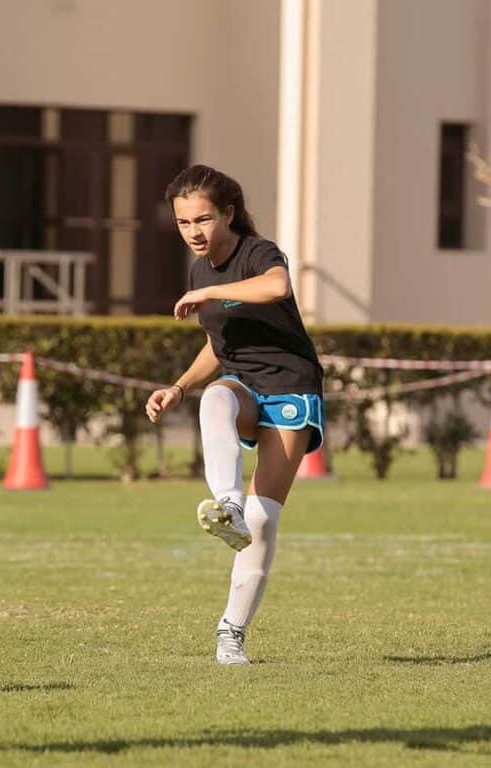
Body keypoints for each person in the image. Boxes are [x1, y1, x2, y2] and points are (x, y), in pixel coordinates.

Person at [145, 164, 324, 666]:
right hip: (243, 383)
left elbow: (276, 287)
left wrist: (208, 294)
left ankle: (231, 634)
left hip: (290, 387)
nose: (194, 233)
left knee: (265, 521)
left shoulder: (256, 252)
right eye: (183, 224)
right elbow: (217, 343)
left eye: (203, 220)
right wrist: (179, 387)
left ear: (228, 213)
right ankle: (227, 504)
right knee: (215, 400)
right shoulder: (200, 269)